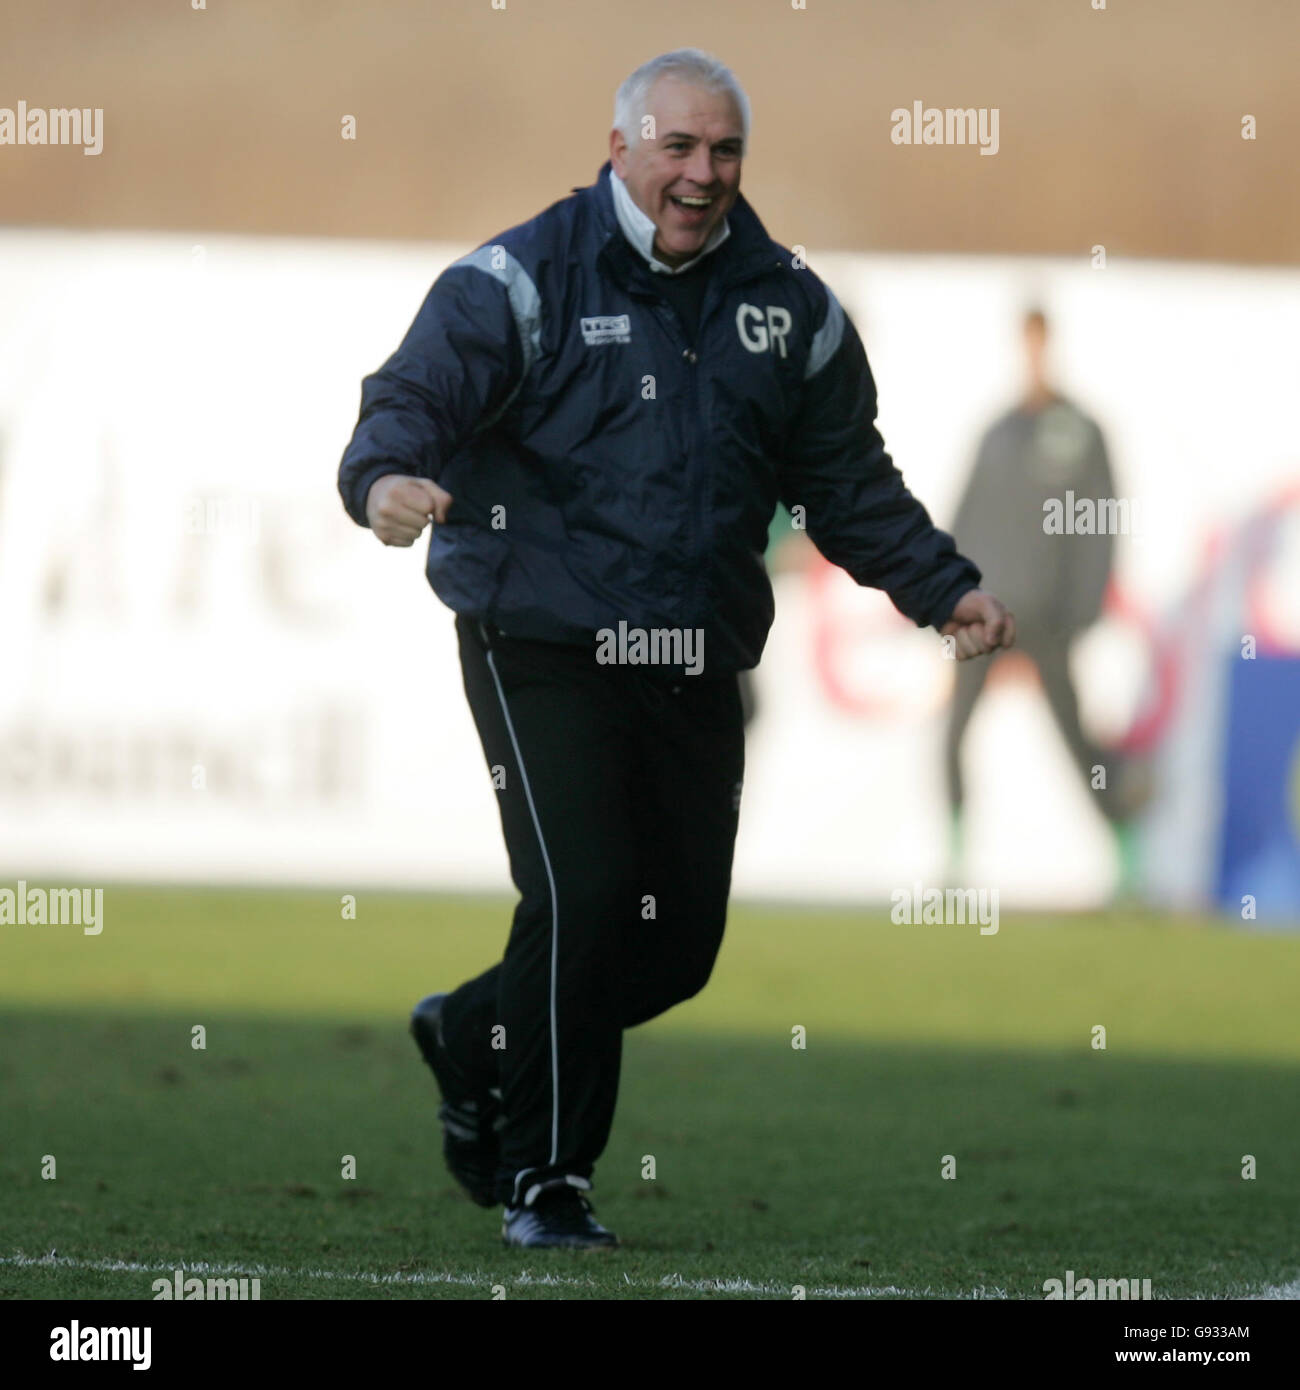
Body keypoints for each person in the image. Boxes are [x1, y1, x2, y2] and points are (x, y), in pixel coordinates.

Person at [337, 48, 1014, 1250]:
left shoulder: (787, 305)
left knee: (673, 944)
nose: (702, 175)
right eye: (678, 148)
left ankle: (471, 1030)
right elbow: (413, 392)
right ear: (620, 151)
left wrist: (940, 586)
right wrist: (385, 476)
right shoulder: (520, 275)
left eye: (724, 151)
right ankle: (547, 1179)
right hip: (536, 630)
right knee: (585, 898)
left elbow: (845, 480)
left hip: (691, 650)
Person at [945, 308, 1138, 881]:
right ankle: (955, 861)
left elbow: (1100, 524)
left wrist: (1082, 610)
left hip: (1049, 615)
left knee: (1077, 739)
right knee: (954, 733)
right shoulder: (998, 431)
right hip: (987, 612)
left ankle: (1128, 849)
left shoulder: (1079, 429)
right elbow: (966, 516)